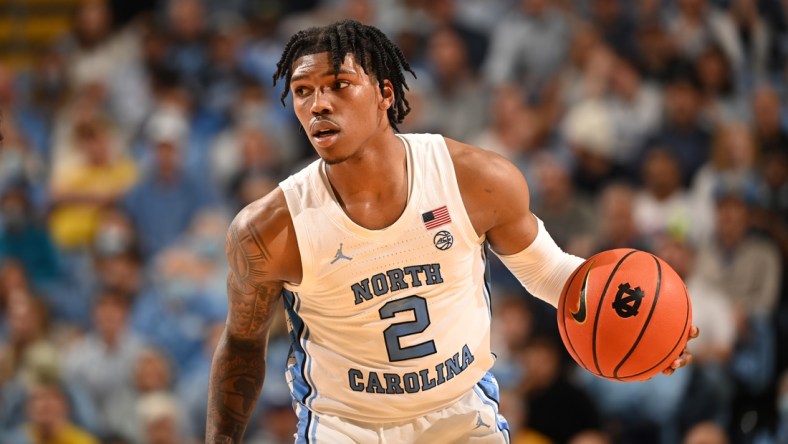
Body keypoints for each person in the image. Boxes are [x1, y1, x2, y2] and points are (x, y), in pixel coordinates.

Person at [205, 19, 698, 443]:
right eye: (303, 91)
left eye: (338, 84)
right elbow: (243, 343)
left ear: (385, 93)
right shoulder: (270, 229)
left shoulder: (475, 180)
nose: (318, 104)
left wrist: (652, 330)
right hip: (346, 426)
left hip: (458, 415)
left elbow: (551, 272)